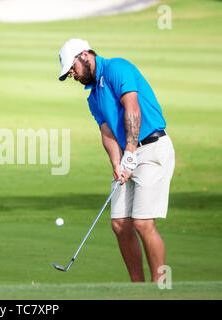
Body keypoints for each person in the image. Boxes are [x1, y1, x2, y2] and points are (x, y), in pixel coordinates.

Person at [58, 39, 175, 282]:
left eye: (72, 68)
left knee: (142, 223)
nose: (71, 74)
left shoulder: (116, 68)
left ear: (85, 55)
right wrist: (117, 162)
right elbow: (107, 132)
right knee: (120, 224)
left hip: (151, 148)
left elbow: (132, 108)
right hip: (127, 155)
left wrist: (130, 151)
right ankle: (137, 288)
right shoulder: (93, 96)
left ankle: (160, 288)